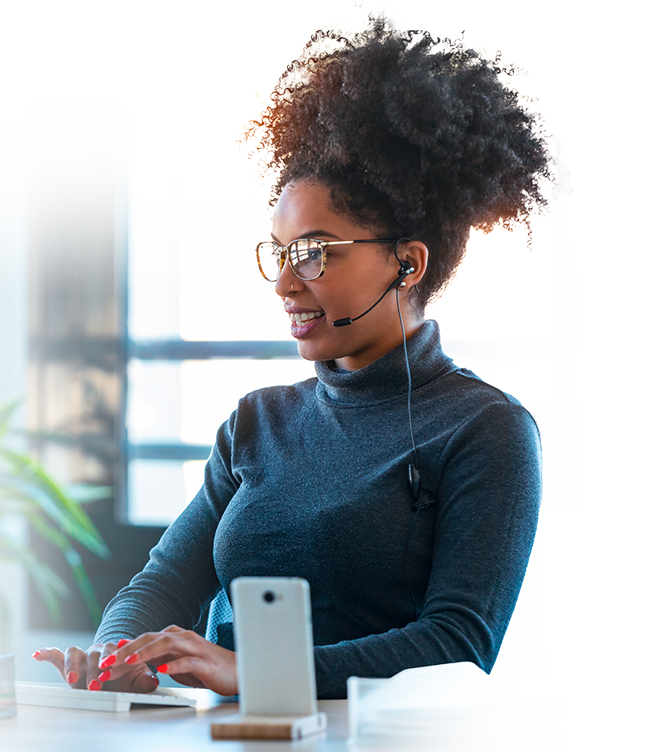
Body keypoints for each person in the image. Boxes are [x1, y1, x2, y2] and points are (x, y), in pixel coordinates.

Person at [33, 9, 557, 699]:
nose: (284, 282)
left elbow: (458, 644)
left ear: (407, 264)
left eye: (313, 252)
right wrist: (116, 653)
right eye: (279, 254)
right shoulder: (257, 423)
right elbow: (163, 582)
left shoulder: (486, 430)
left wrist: (258, 676)